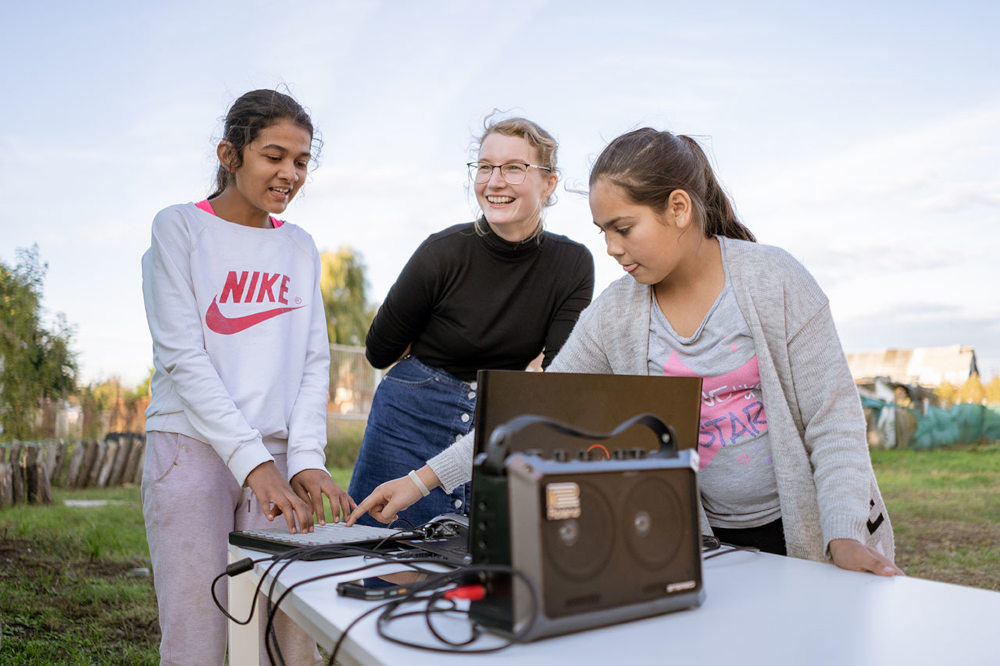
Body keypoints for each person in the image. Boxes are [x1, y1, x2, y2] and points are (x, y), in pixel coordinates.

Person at [348, 127, 903, 577]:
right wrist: (423, 480)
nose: (611, 248)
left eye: (624, 228)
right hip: (709, 541)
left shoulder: (774, 280)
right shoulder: (618, 312)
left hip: (809, 531)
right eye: (601, 231)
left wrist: (844, 537)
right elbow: (535, 405)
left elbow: (833, 424)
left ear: (679, 208)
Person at [141, 89, 354, 664]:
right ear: (230, 155)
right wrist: (251, 462)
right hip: (192, 448)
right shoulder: (178, 229)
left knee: (286, 629)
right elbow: (184, 358)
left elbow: (313, 362)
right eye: (274, 155)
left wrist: (306, 459)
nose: (289, 173)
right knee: (199, 631)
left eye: (302, 161)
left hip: (280, 459)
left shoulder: (299, 246)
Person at [347, 116, 595, 528]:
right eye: (485, 167)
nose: (494, 181)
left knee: (480, 568)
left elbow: (556, 376)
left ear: (549, 183)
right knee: (378, 561)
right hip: (408, 419)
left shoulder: (572, 264)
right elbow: (380, 351)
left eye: (514, 168)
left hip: (498, 421)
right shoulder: (441, 252)